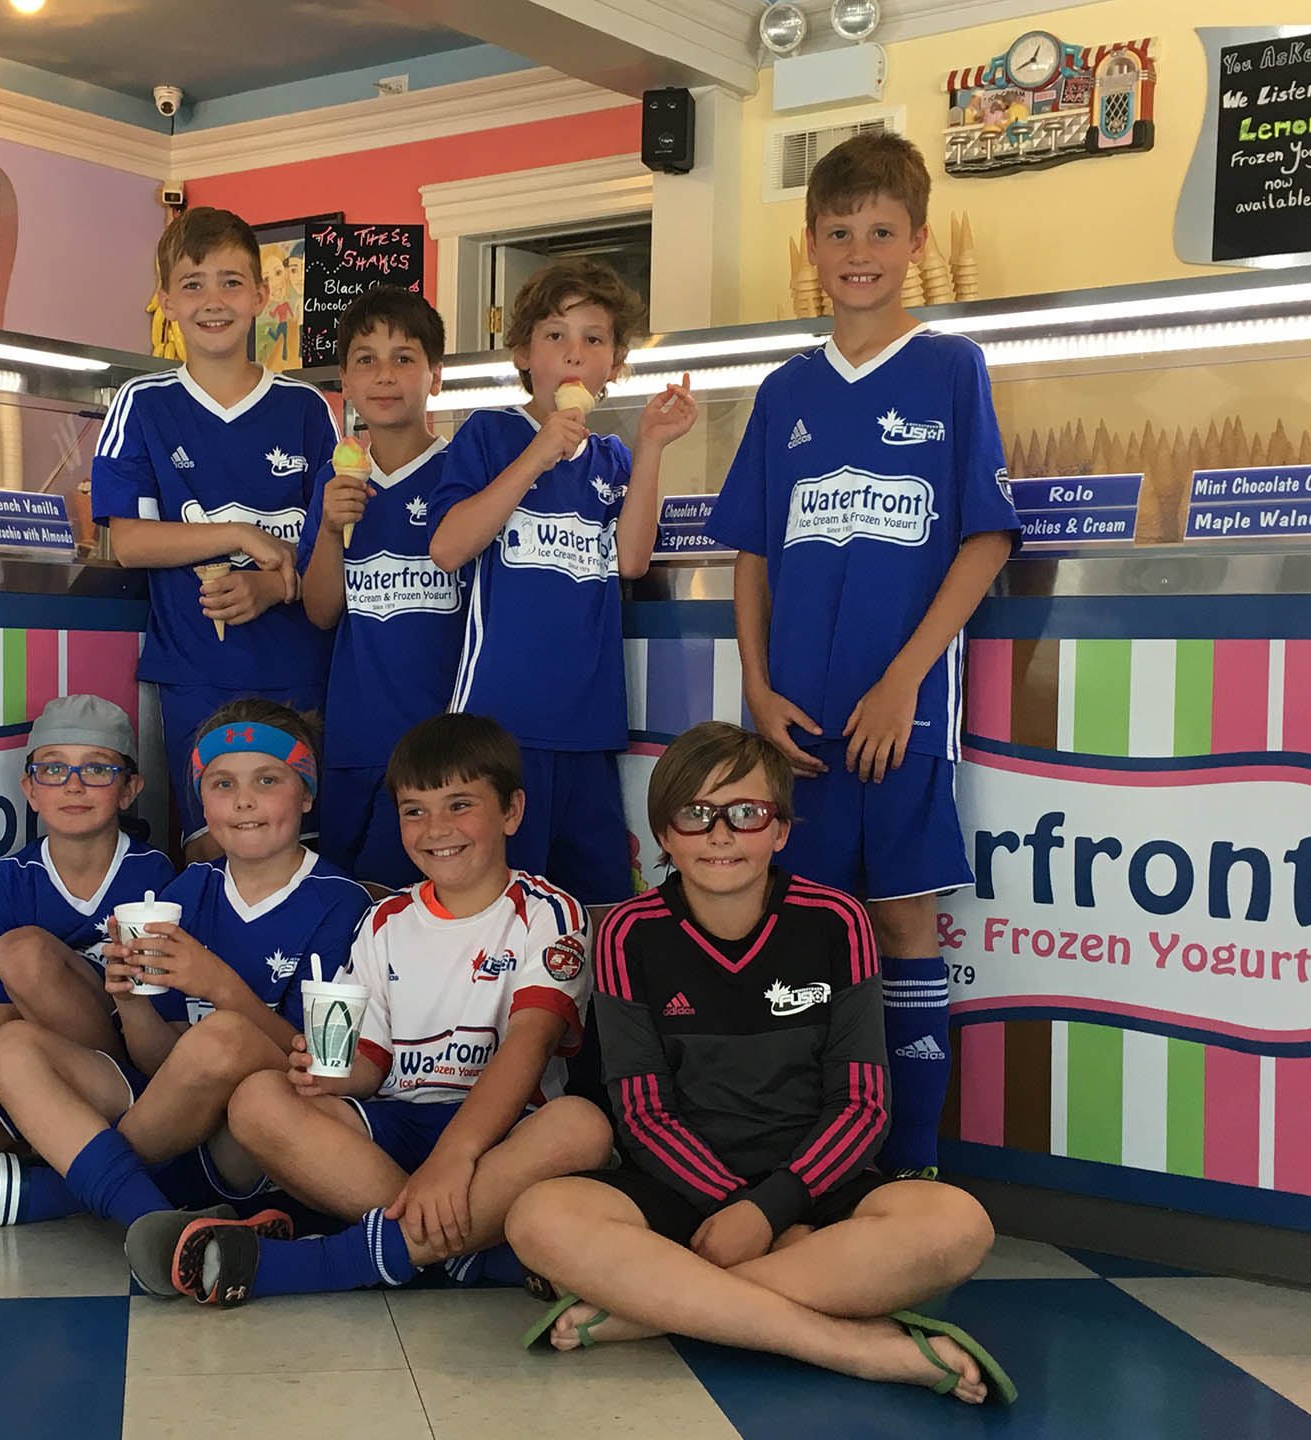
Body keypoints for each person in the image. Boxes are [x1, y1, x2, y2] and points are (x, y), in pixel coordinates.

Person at [503, 722, 1012, 1406]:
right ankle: (853, 1346)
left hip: (812, 1186)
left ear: (779, 830)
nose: (720, 834)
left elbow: (863, 1104)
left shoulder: (836, 921)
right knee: (537, 1217)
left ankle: (650, 1310)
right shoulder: (628, 931)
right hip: (681, 1189)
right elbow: (643, 1113)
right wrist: (734, 1209)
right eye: (695, 814)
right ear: (664, 833)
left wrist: (770, 1208)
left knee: (958, 1226)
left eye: (745, 814)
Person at [704, 133, 1020, 1174]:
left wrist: (903, 681)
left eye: (882, 230)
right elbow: (751, 549)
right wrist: (756, 684)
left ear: (917, 241)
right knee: (798, 936)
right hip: (795, 720)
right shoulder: (785, 391)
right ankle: (805, 1157)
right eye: (839, 230)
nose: (859, 249)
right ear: (811, 244)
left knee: (899, 926)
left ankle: (913, 1164)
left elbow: (982, 538)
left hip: (901, 718)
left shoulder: (950, 369)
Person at [142, 713, 613, 1304]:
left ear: (511, 811)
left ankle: (321, 1262)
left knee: (582, 1127)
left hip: (500, 1134)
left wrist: (455, 1158)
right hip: (393, 1125)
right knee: (258, 1100)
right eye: (415, 810)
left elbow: (527, 1047)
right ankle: (461, 1251)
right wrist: (323, 1073)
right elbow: (368, 1062)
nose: (436, 828)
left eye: (459, 805)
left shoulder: (548, 911)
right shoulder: (385, 919)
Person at [0, 700, 372, 1239]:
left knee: (225, 1038)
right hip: (172, 1112)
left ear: (306, 794)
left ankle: (74, 1189)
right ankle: (155, 1213)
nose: (245, 800)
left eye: (267, 779)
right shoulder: (184, 891)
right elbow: (161, 1060)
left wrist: (216, 983)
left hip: (258, 1130)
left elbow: (322, 1069)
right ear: (201, 803)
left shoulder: (344, 905)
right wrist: (130, 1001)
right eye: (223, 784)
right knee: (10, 1047)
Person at [426, 257, 695, 910]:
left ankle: (589, 1017)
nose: (574, 354)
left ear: (616, 364)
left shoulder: (613, 459)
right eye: (555, 336)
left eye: (594, 339)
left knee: (595, 905)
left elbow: (632, 559)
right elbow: (448, 547)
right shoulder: (491, 434)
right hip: (499, 726)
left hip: (589, 724)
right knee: (501, 904)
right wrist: (539, 453)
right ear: (523, 353)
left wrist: (653, 446)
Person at [95, 206, 338, 863]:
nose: (213, 301)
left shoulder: (307, 409)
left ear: (263, 296)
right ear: (166, 301)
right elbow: (130, 542)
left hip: (302, 675)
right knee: (214, 851)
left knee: (303, 855)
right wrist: (237, 532)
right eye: (193, 283)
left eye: (232, 282)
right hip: (200, 675)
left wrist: (271, 585)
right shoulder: (142, 404)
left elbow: (330, 554)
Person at [0, 694, 173, 1184]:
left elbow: (172, 1012)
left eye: (98, 770)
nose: (75, 786)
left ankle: (122, 1134)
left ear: (129, 790)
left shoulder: (158, 875)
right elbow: (4, 1030)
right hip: (38, 1061)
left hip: (131, 1072)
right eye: (53, 770)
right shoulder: (11, 880)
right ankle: (82, 1148)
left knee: (24, 953)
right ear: (30, 789)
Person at [298, 287, 462, 890]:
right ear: (344, 379)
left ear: (435, 376)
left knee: (425, 902)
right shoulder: (335, 479)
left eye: (404, 357)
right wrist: (332, 529)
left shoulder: (465, 475)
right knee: (351, 903)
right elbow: (321, 611)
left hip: (440, 744)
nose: (384, 375)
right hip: (354, 739)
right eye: (365, 359)